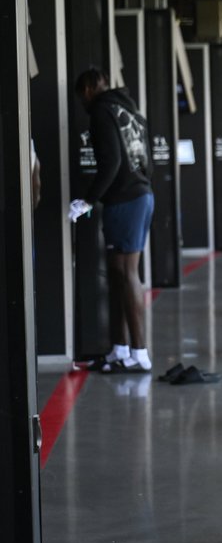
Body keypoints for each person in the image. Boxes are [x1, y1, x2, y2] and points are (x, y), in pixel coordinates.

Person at [71, 69, 155, 374]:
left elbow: (112, 162)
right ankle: (121, 350)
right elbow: (147, 159)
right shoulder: (131, 111)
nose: (82, 102)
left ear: (91, 87)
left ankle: (140, 353)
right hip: (141, 196)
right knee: (119, 273)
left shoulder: (101, 112)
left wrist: (88, 200)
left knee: (127, 273)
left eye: (82, 94)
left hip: (125, 200)